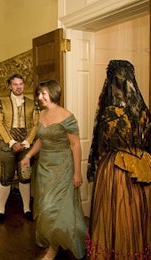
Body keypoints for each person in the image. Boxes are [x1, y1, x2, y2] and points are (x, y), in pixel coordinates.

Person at [86, 60, 151, 259]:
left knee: (119, 216)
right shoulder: (143, 111)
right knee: (140, 216)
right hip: (143, 166)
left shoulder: (110, 112)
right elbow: (149, 143)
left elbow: (102, 144)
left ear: (113, 84)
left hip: (117, 170)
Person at [20, 79, 87, 260]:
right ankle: (55, 241)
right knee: (45, 206)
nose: (40, 97)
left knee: (54, 207)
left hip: (63, 166)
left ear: (54, 93)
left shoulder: (67, 116)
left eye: (43, 93)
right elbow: (41, 140)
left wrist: (77, 172)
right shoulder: (41, 115)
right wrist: (28, 156)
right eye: (38, 94)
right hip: (44, 167)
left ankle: (53, 249)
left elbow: (75, 144)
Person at [0, 73, 40, 224]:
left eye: (21, 84)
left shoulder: (33, 103)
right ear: (9, 86)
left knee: (25, 177)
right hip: (7, 145)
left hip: (26, 146)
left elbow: (36, 124)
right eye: (15, 84)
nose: (18, 87)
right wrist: (12, 142)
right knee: (6, 177)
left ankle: (26, 208)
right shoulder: (1, 102)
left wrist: (27, 142)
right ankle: (1, 209)